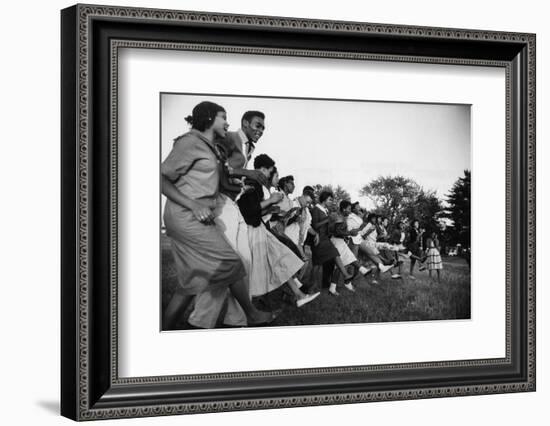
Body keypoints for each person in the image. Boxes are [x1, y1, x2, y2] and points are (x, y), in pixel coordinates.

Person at [161, 101, 273, 329]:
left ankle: (163, 333)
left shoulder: (210, 147)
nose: (227, 122)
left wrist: (240, 187)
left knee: (189, 285)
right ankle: (250, 313)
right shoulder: (190, 142)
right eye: (223, 117)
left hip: (200, 216)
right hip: (187, 216)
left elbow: (219, 180)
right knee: (232, 263)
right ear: (209, 117)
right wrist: (192, 204)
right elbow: (160, 178)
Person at [187, 110, 268, 329]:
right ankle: (201, 321)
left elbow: (230, 172)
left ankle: (237, 320)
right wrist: (248, 173)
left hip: (233, 204)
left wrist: (242, 185)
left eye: (263, 127)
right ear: (244, 123)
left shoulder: (247, 146)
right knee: (225, 264)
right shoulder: (230, 137)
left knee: (245, 261)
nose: (260, 130)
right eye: (257, 125)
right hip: (219, 204)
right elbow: (217, 165)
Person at [237, 154, 320, 307]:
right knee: (259, 269)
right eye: (271, 172)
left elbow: (255, 210)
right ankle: (248, 306)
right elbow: (248, 210)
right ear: (263, 169)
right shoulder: (252, 184)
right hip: (254, 232)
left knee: (280, 260)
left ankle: (298, 294)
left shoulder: (255, 186)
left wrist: (270, 207)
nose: (270, 177)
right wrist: (270, 202)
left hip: (260, 230)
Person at [310, 190, 353, 293]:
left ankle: (315, 286)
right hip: (319, 239)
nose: (331, 202)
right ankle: (345, 275)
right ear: (324, 199)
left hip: (325, 238)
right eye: (330, 199)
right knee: (331, 256)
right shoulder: (316, 209)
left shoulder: (325, 210)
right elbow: (315, 225)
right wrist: (328, 219)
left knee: (319, 264)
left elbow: (327, 225)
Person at [329, 201, 374, 294]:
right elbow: (337, 232)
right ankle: (362, 270)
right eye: (349, 209)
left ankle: (333, 287)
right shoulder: (339, 217)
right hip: (336, 241)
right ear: (343, 208)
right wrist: (349, 233)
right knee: (347, 260)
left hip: (341, 241)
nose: (350, 211)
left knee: (346, 261)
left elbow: (340, 231)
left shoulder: (342, 217)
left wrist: (347, 235)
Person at [358, 213, 394, 284]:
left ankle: (374, 278)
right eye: (374, 218)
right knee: (370, 263)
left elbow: (374, 238)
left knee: (374, 263)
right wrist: (369, 231)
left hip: (372, 244)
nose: (376, 220)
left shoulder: (374, 226)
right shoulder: (367, 225)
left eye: (376, 218)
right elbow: (362, 236)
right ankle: (384, 261)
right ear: (370, 218)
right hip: (367, 244)